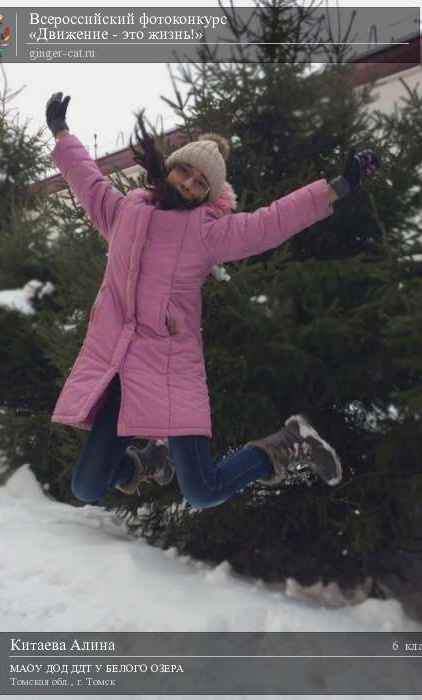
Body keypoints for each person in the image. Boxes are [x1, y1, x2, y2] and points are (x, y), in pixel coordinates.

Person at [45, 92, 380, 507]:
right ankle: (147, 462)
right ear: (170, 168)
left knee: (202, 491)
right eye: (184, 171)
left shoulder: (206, 232)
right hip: (119, 365)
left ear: (207, 195)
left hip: (171, 369)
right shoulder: (123, 211)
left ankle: (291, 443)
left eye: (200, 182)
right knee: (85, 486)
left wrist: (335, 188)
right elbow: (88, 182)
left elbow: (269, 223)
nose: (188, 183)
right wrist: (62, 134)